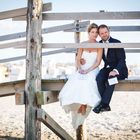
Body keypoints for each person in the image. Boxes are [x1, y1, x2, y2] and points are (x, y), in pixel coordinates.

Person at [59, 23, 103, 129]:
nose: (95, 34)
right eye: (93, 32)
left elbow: (98, 62)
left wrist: (88, 70)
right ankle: (79, 104)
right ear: (88, 33)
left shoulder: (99, 45)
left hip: (92, 68)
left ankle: (83, 105)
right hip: (82, 68)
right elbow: (78, 59)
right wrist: (80, 68)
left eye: (96, 32)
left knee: (89, 80)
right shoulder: (83, 44)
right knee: (77, 80)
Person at [93, 24, 128, 114]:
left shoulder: (117, 42)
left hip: (119, 69)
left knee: (111, 79)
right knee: (99, 78)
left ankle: (104, 104)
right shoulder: (99, 44)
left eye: (105, 32)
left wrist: (115, 71)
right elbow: (95, 56)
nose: (104, 34)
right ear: (99, 34)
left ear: (109, 32)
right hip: (107, 68)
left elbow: (122, 60)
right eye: (102, 33)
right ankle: (106, 106)